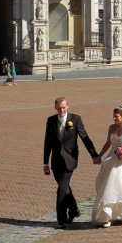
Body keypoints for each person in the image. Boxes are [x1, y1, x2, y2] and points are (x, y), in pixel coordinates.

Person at [43, 97, 99, 229]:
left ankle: (61, 219)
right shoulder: (51, 121)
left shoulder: (75, 119)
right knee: (65, 186)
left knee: (62, 188)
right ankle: (74, 209)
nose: (61, 110)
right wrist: (45, 163)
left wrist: (94, 155)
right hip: (56, 161)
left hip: (70, 159)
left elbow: (85, 138)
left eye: (63, 107)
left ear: (68, 106)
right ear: (55, 108)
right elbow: (47, 142)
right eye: (59, 108)